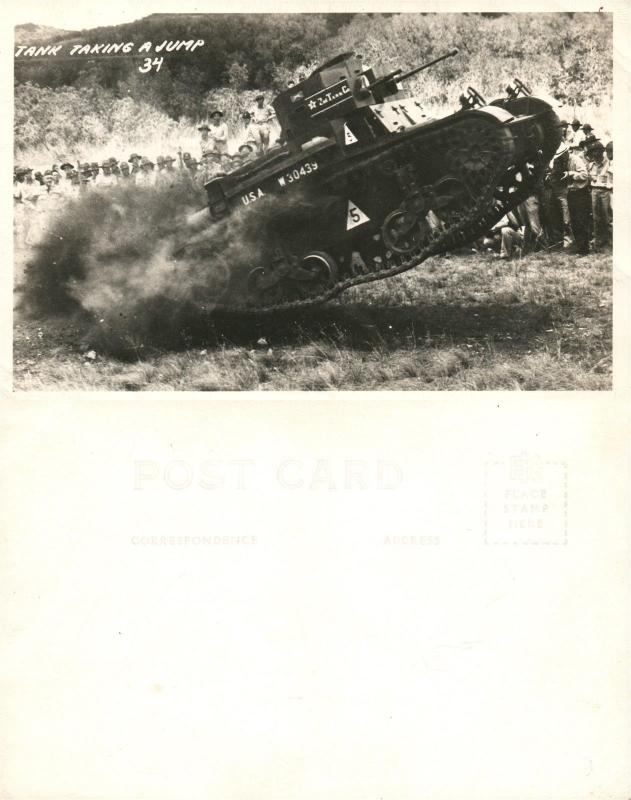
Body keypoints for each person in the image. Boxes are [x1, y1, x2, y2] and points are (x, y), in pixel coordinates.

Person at [545, 142, 573, 250]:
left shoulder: (560, 156)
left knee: (565, 216)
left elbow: (558, 172)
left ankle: (567, 241)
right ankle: (560, 241)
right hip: (554, 190)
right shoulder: (552, 158)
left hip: (561, 190)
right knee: (556, 216)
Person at [565, 143, 590, 255]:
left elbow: (585, 175)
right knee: (574, 222)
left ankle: (584, 249)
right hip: (571, 194)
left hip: (580, 194)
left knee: (581, 221)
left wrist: (571, 174)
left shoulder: (576, 160)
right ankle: (580, 247)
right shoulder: (563, 162)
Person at [586, 140, 611, 250]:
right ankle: (598, 242)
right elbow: (589, 178)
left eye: (596, 152)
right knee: (596, 218)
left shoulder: (609, 163)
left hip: (606, 191)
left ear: (601, 152)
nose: (594, 155)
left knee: (607, 217)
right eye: (592, 153)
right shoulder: (591, 165)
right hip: (594, 191)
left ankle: (610, 243)